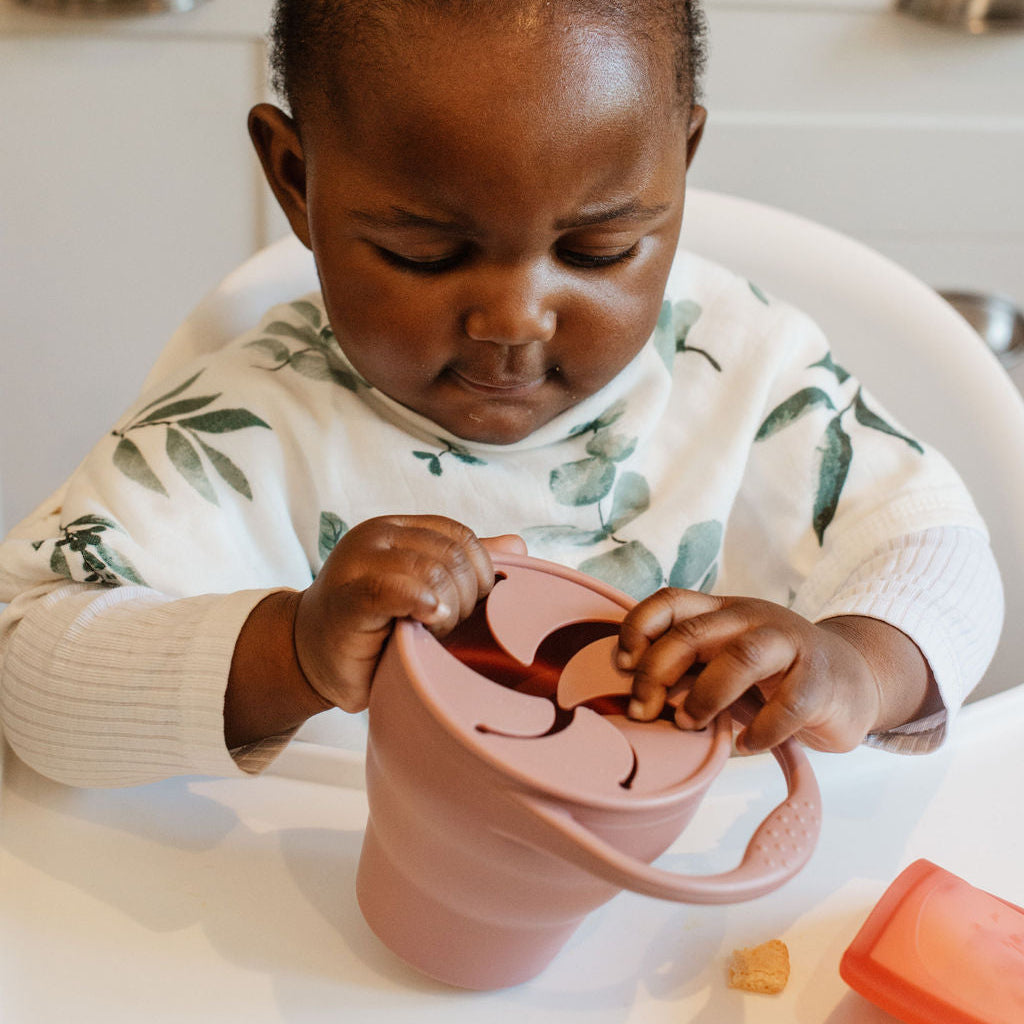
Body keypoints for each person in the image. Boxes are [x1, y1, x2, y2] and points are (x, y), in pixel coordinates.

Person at [0, 0, 1002, 788]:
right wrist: (292, 649)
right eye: (426, 253)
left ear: (681, 165)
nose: (515, 318)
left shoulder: (741, 368)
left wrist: (856, 667)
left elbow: (936, 549)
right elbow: (28, 663)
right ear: (298, 180)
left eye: (596, 249)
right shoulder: (242, 427)